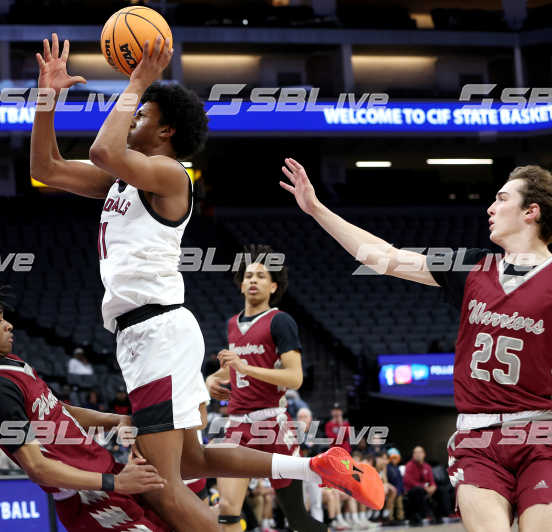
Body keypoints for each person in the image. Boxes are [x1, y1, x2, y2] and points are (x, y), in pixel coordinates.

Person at [31, 34, 383, 531]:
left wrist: (138, 81)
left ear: (166, 130)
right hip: (146, 335)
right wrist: (47, 97)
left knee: (161, 486)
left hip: (156, 333)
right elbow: (44, 167)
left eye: (143, 115)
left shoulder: (172, 176)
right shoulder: (123, 180)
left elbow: (102, 150)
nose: (133, 118)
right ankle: (314, 466)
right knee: (192, 463)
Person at [280, 159, 552, 531]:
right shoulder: (471, 268)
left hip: (542, 437)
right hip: (478, 439)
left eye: (502, 199)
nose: (490, 207)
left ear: (531, 212)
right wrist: (317, 209)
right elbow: (384, 257)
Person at [0, 287, 171, 531]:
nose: (9, 325)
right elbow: (37, 468)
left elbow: (57, 410)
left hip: (106, 478)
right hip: (90, 497)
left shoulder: (9, 364)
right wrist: (115, 483)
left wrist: (114, 419)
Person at [206, 247, 327, 532]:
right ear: (240, 283)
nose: (253, 280)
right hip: (236, 426)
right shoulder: (233, 324)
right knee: (227, 512)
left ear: (273, 286)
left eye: (261, 276)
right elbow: (236, 365)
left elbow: (294, 377)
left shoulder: (280, 321)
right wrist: (212, 378)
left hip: (272, 425)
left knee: (297, 519)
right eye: (248, 275)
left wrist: (245, 368)